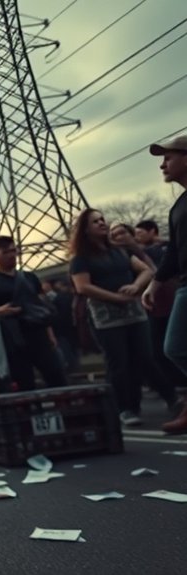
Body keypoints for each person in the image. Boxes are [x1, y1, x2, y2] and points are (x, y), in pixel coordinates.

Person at [69, 209, 158, 426]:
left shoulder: (120, 251)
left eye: (102, 219)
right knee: (119, 363)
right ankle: (123, 409)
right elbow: (83, 287)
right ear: (85, 229)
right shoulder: (81, 259)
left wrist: (135, 286)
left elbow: (147, 270)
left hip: (133, 312)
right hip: (106, 317)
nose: (102, 223)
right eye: (95, 221)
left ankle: (135, 405)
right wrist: (115, 298)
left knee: (142, 358)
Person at [0, 239, 67, 391]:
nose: (11, 255)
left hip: (38, 334)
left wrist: (50, 334)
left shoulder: (29, 278)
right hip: (11, 338)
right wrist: (0, 311)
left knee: (56, 375)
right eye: (5, 252)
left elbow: (41, 308)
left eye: (13, 251)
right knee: (24, 382)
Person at [143, 135, 187, 433]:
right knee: (174, 348)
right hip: (184, 284)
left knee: (176, 347)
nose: (162, 165)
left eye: (168, 158)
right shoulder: (178, 206)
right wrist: (154, 284)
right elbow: (173, 253)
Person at [134, 219, 187, 392]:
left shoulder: (162, 248)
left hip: (173, 298)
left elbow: (165, 264)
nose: (136, 237)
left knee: (173, 346)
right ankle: (177, 385)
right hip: (156, 306)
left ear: (152, 231)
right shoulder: (139, 252)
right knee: (163, 348)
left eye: (140, 233)